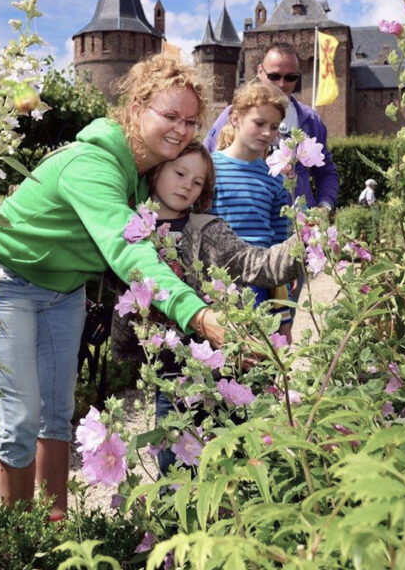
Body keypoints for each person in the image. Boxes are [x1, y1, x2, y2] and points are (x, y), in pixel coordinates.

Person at [0, 54, 226, 520]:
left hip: (63, 291)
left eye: (190, 121)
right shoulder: (93, 166)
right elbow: (129, 251)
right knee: (22, 417)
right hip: (4, 278)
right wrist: (200, 316)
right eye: (169, 115)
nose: (181, 129)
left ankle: (54, 527)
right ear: (137, 106)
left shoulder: (146, 177)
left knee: (58, 413)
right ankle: (16, 538)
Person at [115, 141, 303, 474]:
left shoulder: (208, 230)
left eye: (198, 181)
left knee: (229, 459)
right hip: (168, 371)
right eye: (180, 172)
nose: (187, 184)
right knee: (176, 462)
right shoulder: (130, 230)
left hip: (214, 364)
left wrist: (303, 245)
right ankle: (178, 522)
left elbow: (256, 262)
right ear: (157, 171)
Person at [203, 42, 340, 211]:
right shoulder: (236, 113)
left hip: (297, 223)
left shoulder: (310, 120)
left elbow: (326, 171)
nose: (282, 84)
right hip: (250, 219)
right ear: (260, 72)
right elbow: (204, 160)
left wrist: (325, 205)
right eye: (274, 76)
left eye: (290, 77)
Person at [208, 80, 293, 321]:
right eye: (259, 123)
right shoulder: (207, 169)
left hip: (259, 286)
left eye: (274, 126)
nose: (268, 132)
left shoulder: (274, 179)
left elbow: (278, 247)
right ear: (235, 118)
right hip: (217, 284)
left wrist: (282, 314)